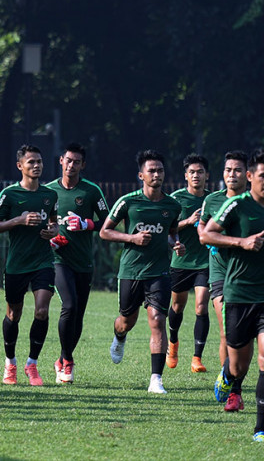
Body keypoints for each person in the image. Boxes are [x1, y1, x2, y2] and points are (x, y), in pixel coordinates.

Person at [200, 149, 264, 443]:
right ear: (250, 177)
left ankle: (261, 429)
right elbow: (207, 234)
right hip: (239, 295)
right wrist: (241, 242)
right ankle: (228, 377)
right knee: (239, 366)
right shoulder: (236, 206)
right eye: (263, 176)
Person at [100, 150, 183, 394]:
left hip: (159, 273)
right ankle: (119, 337)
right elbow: (105, 231)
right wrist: (132, 238)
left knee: (157, 321)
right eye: (152, 170)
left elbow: (171, 232)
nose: (157, 174)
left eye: (160, 170)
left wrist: (176, 243)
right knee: (127, 320)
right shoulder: (128, 202)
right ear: (141, 175)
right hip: (131, 271)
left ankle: (156, 380)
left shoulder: (172, 206)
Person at [0, 145, 59, 386]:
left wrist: (53, 231)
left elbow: (55, 222)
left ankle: (32, 364)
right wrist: (19, 220)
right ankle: (10, 363)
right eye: (31, 162)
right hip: (17, 263)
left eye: (39, 161)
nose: (36, 165)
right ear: (20, 166)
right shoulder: (9, 194)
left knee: (42, 310)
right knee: (13, 314)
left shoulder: (50, 194)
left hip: (43, 261)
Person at [46, 142, 108, 384]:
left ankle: (62, 359)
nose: (71, 165)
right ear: (61, 161)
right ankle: (67, 359)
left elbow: (108, 223)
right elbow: (41, 224)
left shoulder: (91, 191)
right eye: (68, 160)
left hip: (84, 262)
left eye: (76, 162)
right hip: (58, 260)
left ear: (83, 165)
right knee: (69, 306)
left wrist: (87, 224)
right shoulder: (48, 191)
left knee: (78, 315)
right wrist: (49, 240)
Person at [199, 150, 248, 396]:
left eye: (237, 170)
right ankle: (227, 380)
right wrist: (205, 236)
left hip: (246, 275)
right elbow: (202, 226)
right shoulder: (213, 200)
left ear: (247, 175)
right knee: (226, 330)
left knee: (244, 334)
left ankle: (232, 375)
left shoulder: (253, 203)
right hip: (219, 273)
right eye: (228, 170)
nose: (232, 174)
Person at [167, 154, 211, 373]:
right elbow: (167, 227)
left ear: (207, 176)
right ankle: (173, 343)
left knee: (202, 306)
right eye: (192, 172)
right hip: (181, 260)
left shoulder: (213, 200)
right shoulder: (176, 199)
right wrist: (188, 221)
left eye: (200, 172)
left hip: (206, 261)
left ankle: (197, 358)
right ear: (186, 175)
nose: (196, 175)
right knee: (177, 306)